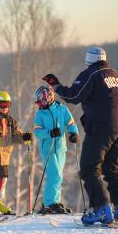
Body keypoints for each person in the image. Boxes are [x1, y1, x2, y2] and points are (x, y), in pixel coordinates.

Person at [42, 46, 118, 224]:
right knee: (111, 167)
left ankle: (101, 209)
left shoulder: (92, 73)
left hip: (101, 128)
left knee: (89, 168)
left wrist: (56, 85)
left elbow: (74, 95)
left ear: (88, 60)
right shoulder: (115, 75)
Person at [33, 85, 79, 214]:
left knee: (59, 177)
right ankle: (49, 203)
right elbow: (37, 131)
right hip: (47, 149)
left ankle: (55, 201)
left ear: (49, 98)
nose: (40, 105)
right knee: (54, 175)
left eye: (41, 102)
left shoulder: (62, 109)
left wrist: (73, 133)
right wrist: (50, 133)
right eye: (38, 102)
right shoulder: (40, 114)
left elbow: (71, 123)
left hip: (60, 148)